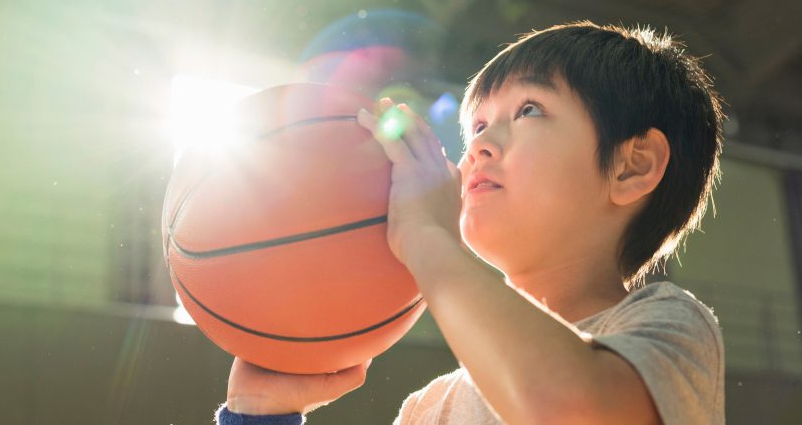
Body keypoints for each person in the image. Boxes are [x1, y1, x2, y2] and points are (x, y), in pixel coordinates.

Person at [215, 22, 726, 424]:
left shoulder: (668, 326)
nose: (480, 145)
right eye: (477, 126)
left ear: (631, 165)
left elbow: (570, 409)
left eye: (529, 110)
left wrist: (428, 238)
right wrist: (260, 414)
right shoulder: (429, 408)